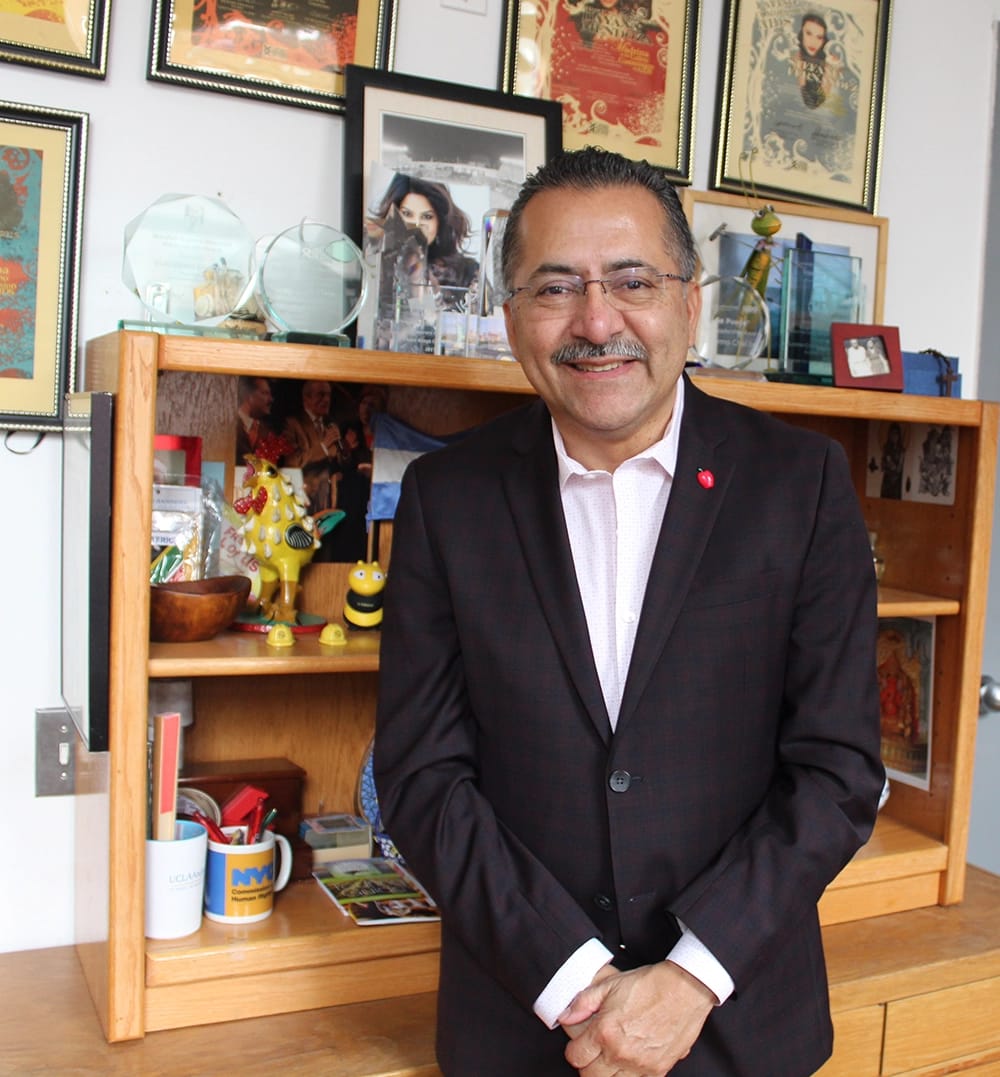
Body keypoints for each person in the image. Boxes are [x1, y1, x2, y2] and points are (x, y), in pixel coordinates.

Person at [374, 147, 883, 1076]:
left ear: (689, 303)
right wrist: (576, 984)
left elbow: (837, 769)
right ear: (511, 317)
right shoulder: (447, 498)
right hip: (523, 1031)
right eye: (555, 287)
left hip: (741, 1028)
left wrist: (687, 980)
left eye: (632, 281)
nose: (596, 320)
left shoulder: (801, 484)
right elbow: (421, 778)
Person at [369, 173, 479, 293]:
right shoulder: (374, 264)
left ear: (439, 221)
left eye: (427, 216)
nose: (416, 225)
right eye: (407, 214)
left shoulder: (468, 273)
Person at [791, 12, 841, 109]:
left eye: (819, 37)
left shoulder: (830, 62)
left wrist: (830, 69)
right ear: (801, 34)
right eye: (809, 33)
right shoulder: (794, 56)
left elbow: (815, 102)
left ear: (823, 40)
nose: (813, 42)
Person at [235, 375, 274, 463]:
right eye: (265, 393)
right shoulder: (227, 425)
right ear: (247, 395)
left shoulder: (267, 431)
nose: (271, 399)